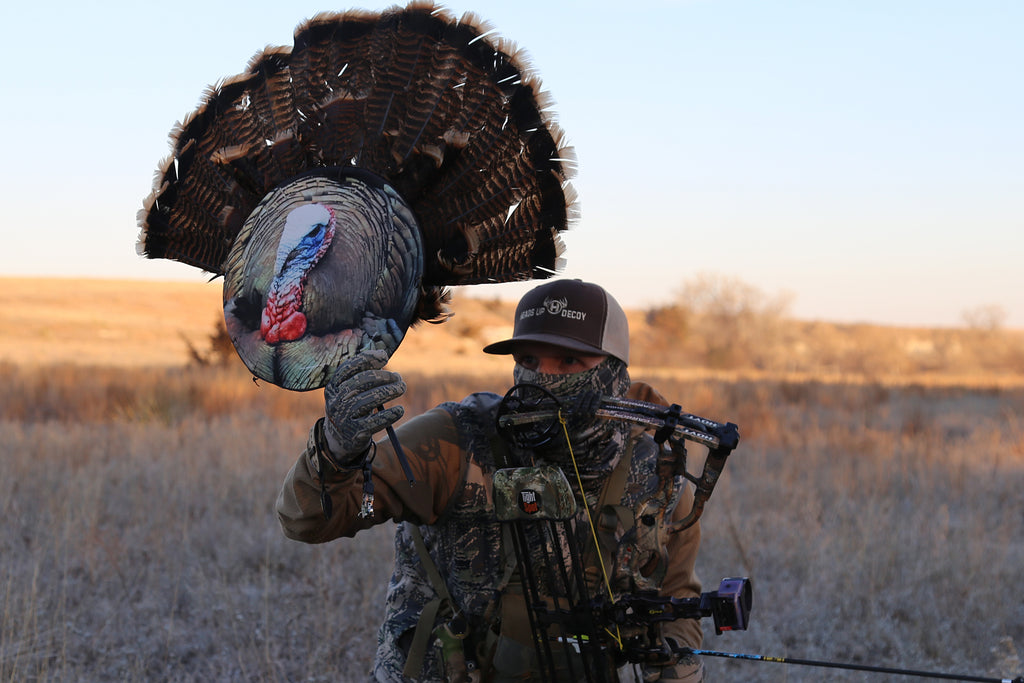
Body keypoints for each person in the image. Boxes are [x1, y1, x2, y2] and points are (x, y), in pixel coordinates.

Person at [276, 279, 707, 682]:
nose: (544, 377)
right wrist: (334, 450)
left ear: (615, 372)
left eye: (570, 360)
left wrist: (675, 666)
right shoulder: (454, 439)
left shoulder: (656, 469)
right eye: (529, 360)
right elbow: (306, 519)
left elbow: (677, 600)